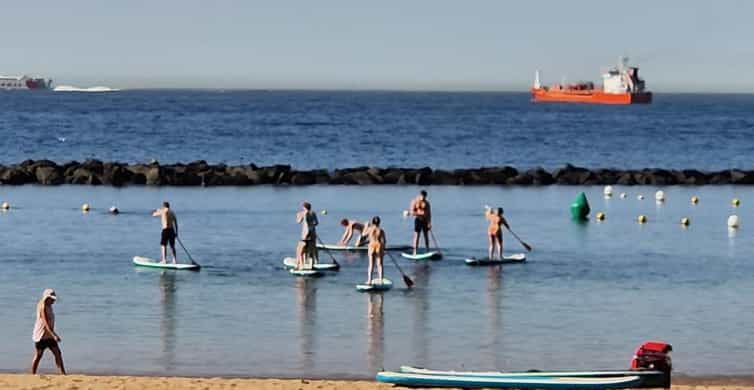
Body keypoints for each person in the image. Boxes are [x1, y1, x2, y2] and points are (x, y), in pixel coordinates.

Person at [31, 288, 66, 375]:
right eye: (52, 299)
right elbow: (45, 323)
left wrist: (52, 334)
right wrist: (54, 335)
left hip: (49, 335)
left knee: (57, 353)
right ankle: (32, 374)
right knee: (39, 355)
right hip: (41, 335)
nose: (54, 301)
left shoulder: (49, 306)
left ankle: (63, 373)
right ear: (47, 298)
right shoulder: (42, 306)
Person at [295, 202, 319, 270]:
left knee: (299, 251)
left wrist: (298, 216)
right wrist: (311, 226)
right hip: (313, 233)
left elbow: (298, 221)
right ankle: (311, 265)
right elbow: (316, 223)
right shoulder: (313, 213)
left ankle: (301, 265)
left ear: (304, 207)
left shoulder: (303, 213)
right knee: (311, 250)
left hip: (305, 234)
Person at [409, 190, 432, 255]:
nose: (424, 198)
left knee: (426, 236)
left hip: (425, 220)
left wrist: (429, 223)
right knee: (417, 236)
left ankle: (427, 250)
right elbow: (411, 211)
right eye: (423, 196)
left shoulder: (427, 203)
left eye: (425, 197)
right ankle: (415, 251)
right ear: (420, 195)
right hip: (418, 220)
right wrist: (418, 213)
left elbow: (429, 214)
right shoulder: (415, 201)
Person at [365, 216, 386, 285]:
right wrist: (384, 249)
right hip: (378, 246)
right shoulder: (381, 230)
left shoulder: (369, 229)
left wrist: (366, 226)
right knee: (379, 264)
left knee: (371, 264)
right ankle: (381, 280)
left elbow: (363, 234)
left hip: (371, 245)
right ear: (379, 222)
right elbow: (384, 241)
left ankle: (369, 280)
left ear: (372, 222)